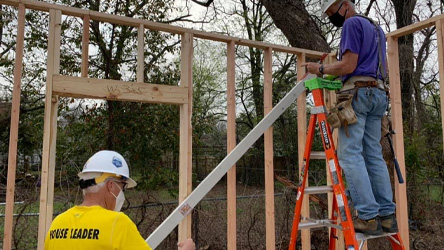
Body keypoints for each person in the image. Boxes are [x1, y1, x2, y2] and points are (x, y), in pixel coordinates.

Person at [304, 0, 398, 235]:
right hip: (378, 94)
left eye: (332, 12)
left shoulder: (351, 23)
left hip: (359, 95)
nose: (331, 18)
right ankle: (387, 216)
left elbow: (348, 65)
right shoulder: (377, 28)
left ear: (345, 4)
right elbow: (362, 66)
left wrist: (321, 70)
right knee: (373, 154)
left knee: (349, 154)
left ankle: (367, 216)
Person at [45, 150, 195, 250]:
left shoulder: (57, 225)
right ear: (111, 186)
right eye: (122, 188)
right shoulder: (117, 224)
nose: (122, 194)